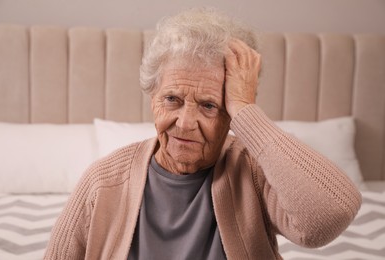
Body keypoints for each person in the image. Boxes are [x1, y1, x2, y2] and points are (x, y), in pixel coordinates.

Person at [44, 8, 362, 260]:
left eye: (209, 105)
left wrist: (245, 110)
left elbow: (330, 214)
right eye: (172, 99)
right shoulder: (103, 182)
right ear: (152, 97)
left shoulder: (252, 172)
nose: (185, 122)